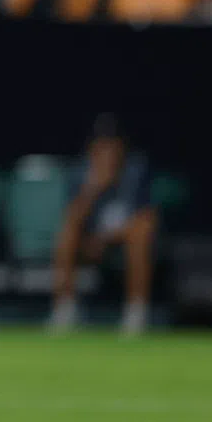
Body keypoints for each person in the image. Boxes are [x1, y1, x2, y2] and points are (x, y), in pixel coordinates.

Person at [49, 114, 158, 336]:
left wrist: (106, 238)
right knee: (67, 234)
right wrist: (93, 188)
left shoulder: (136, 171)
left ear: (121, 147)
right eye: (101, 145)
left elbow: (146, 219)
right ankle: (65, 310)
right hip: (89, 243)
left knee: (141, 234)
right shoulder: (81, 173)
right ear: (92, 148)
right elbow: (72, 219)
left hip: (122, 241)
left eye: (112, 145)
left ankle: (135, 313)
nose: (107, 151)